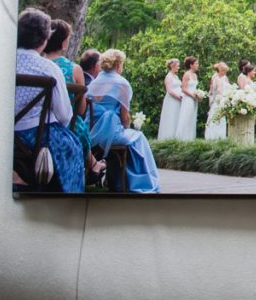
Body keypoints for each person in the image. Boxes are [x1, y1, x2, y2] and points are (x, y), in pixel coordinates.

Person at [14, 8, 84, 193]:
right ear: (45, 39)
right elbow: (64, 114)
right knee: (72, 147)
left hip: (4, 133)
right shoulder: (49, 68)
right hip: (39, 135)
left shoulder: (4, 60)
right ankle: (69, 202)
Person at [86, 49, 160, 193]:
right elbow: (125, 117)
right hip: (112, 133)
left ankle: (115, 179)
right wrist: (126, 127)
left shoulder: (93, 83)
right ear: (119, 64)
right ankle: (137, 182)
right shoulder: (121, 83)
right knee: (139, 138)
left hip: (91, 132)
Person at [43, 19, 106, 182]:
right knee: (79, 125)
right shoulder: (74, 69)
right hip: (66, 125)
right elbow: (81, 109)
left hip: (35, 123)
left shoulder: (37, 65)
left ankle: (93, 165)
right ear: (64, 43)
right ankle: (92, 166)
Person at [175, 56, 200, 140]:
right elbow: (183, 88)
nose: (197, 65)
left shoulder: (195, 75)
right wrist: (193, 96)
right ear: (191, 65)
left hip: (194, 99)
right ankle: (182, 138)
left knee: (192, 118)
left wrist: (198, 95)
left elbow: (195, 88)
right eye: (196, 63)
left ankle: (190, 138)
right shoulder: (187, 74)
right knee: (186, 117)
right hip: (188, 99)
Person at [157, 58, 183, 139]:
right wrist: (178, 97)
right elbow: (169, 90)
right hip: (172, 100)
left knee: (177, 117)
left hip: (178, 100)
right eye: (177, 66)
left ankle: (176, 136)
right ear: (173, 66)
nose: (179, 68)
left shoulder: (176, 76)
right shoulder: (168, 77)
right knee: (171, 117)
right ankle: (168, 136)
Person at [205, 62, 230, 140]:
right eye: (224, 71)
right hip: (218, 101)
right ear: (220, 70)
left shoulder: (225, 78)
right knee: (216, 118)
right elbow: (218, 91)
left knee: (222, 119)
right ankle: (214, 136)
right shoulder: (216, 78)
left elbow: (228, 87)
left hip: (223, 100)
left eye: (225, 71)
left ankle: (221, 136)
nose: (225, 73)